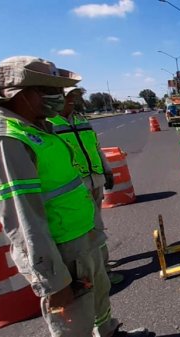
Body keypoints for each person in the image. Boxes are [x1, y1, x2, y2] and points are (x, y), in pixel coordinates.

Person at [0, 56, 153, 337]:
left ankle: (108, 331)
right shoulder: (5, 141)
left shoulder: (38, 128)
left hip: (80, 236)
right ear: (19, 95)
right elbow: (21, 218)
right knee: (73, 321)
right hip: (59, 250)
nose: (57, 97)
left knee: (99, 296)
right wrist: (52, 281)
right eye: (48, 90)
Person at [48, 87, 124, 286]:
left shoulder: (81, 120)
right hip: (75, 187)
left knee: (96, 225)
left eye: (74, 97)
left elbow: (95, 148)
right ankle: (101, 273)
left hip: (94, 180)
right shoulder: (49, 124)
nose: (72, 101)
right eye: (68, 97)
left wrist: (107, 171)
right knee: (90, 229)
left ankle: (100, 267)